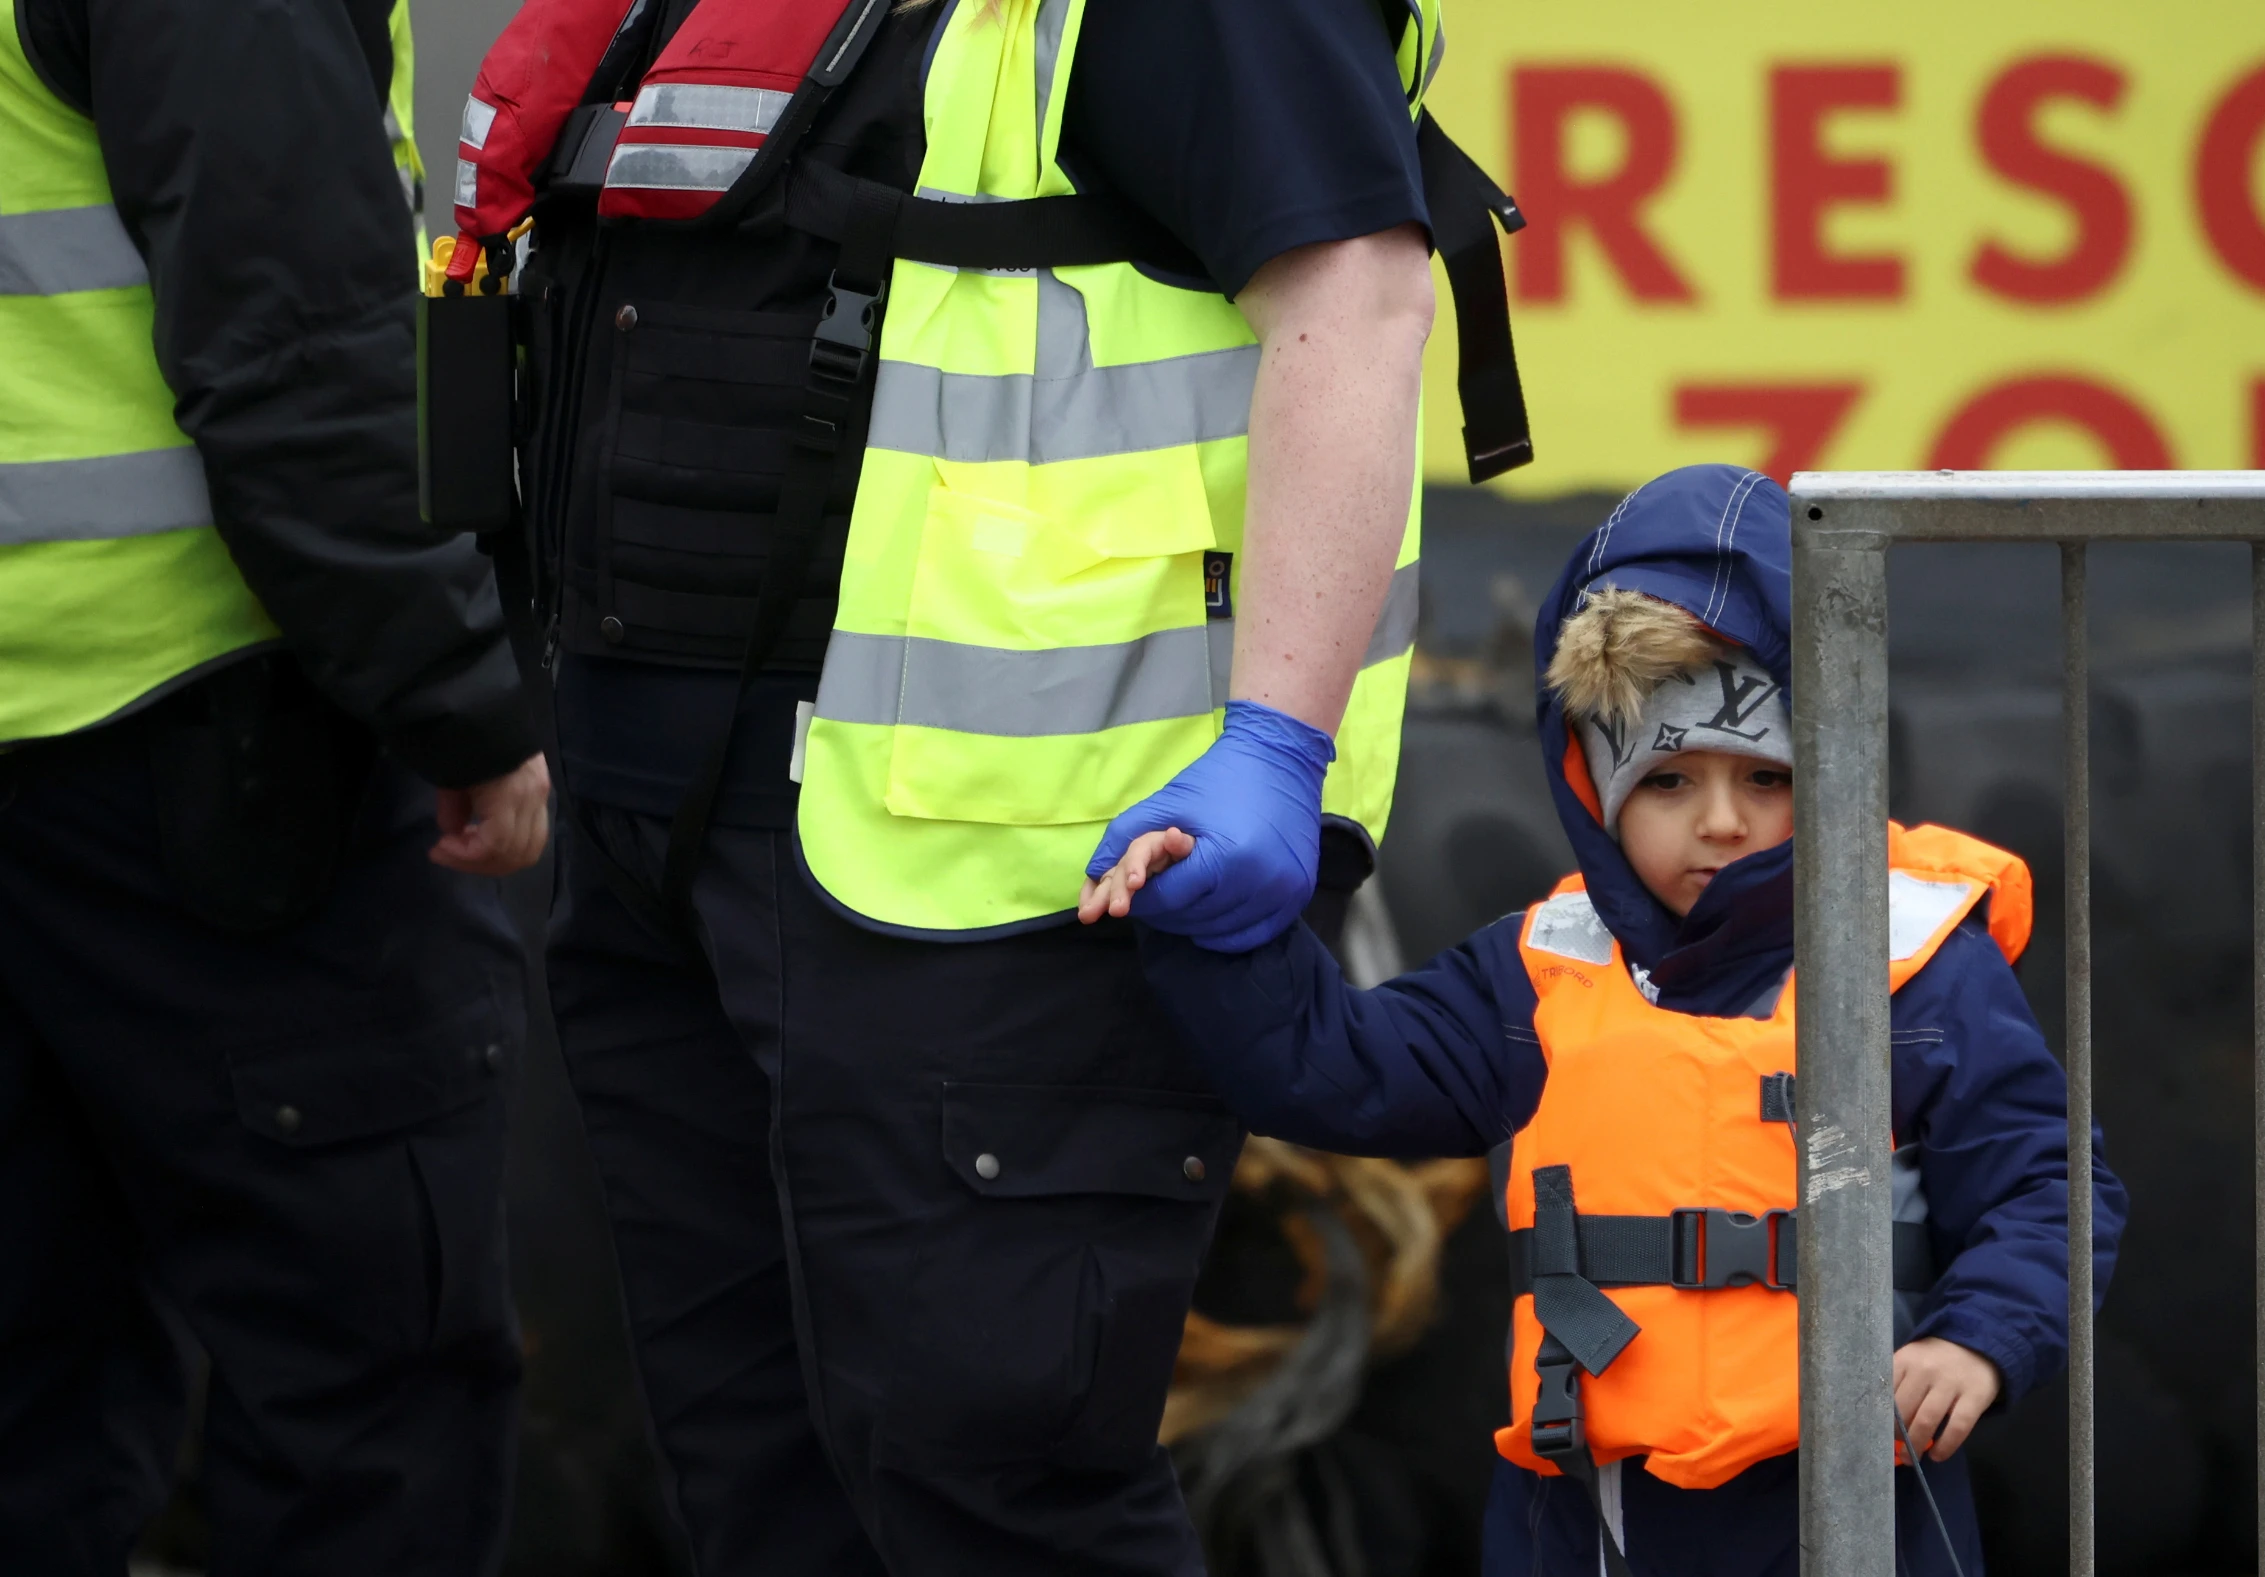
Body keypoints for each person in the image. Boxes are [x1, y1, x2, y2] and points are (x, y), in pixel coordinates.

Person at [435, 0, 1525, 1570]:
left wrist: (1278, 746)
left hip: (1003, 870)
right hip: (666, 835)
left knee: (994, 1496)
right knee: (758, 1479)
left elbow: (1354, 299)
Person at [1094, 464, 2131, 1576]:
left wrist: (1982, 1336)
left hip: (1860, 1505)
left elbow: (2047, 1183)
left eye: (1766, 778)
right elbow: (1322, 1068)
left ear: (1831, 765)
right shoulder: (1539, 971)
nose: (1722, 821)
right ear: (1596, 787)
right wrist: (1220, 916)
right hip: (1579, 1516)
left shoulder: (1917, 963)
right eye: (1670, 780)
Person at [0, 0, 550, 1570]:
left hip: (74, 742)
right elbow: (297, 357)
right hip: (194, 748)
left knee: (34, 1400)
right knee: (367, 1409)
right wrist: (463, 708)